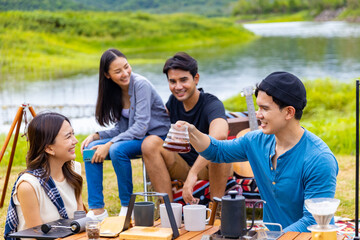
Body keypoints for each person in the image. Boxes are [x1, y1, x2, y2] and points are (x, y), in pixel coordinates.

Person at [175, 71, 339, 232]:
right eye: (258, 107)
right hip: (272, 235)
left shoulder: (319, 159)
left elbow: (313, 221)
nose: (258, 115)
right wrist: (193, 133)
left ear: (289, 112)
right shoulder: (255, 141)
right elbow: (217, 152)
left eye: (264, 109)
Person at [81, 48, 170, 220]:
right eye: (118, 71)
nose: (125, 73)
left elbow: (141, 127)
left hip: (155, 137)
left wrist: (110, 144)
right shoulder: (115, 91)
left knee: (117, 150)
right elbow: (123, 129)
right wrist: (96, 136)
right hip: (136, 137)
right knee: (90, 149)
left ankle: (127, 206)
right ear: (107, 75)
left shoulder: (141, 84)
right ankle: (97, 210)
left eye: (126, 67)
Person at [141, 52, 232, 204]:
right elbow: (152, 122)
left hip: (209, 167)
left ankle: (217, 213)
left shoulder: (211, 104)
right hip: (183, 164)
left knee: (220, 149)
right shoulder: (173, 101)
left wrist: (193, 174)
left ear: (196, 78)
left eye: (183, 80)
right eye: (172, 81)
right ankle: (168, 213)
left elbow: (220, 135)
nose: (178, 87)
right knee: (149, 143)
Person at [4, 112, 83, 239]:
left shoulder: (74, 169)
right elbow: (39, 237)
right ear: (49, 148)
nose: (75, 141)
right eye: (68, 137)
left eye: (73, 134)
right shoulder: (28, 185)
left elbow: (80, 221)